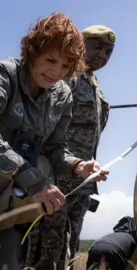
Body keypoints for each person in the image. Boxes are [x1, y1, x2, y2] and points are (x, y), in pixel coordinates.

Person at [0, 12, 109, 269]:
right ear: (32, 51)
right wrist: (34, 179)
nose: (55, 73)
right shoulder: (6, 75)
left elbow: (55, 149)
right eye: (50, 60)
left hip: (12, 201)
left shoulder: (61, 94)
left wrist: (77, 165)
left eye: (65, 67)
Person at [25, 25, 115, 269]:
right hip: (58, 177)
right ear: (80, 44)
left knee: (70, 244)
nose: (103, 56)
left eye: (108, 52)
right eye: (97, 47)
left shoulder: (94, 86)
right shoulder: (64, 78)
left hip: (83, 179)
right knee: (47, 247)